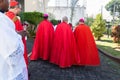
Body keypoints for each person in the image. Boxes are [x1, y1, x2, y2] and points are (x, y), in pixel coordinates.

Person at [0, 0, 28, 79]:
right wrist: (19, 36)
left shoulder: (5, 17)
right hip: (7, 67)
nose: (8, 3)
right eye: (7, 1)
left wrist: (17, 33)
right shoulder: (2, 19)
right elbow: (12, 50)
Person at [6, 0, 28, 66]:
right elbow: (17, 33)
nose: (20, 10)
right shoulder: (14, 18)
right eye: (20, 9)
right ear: (16, 8)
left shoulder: (6, 15)